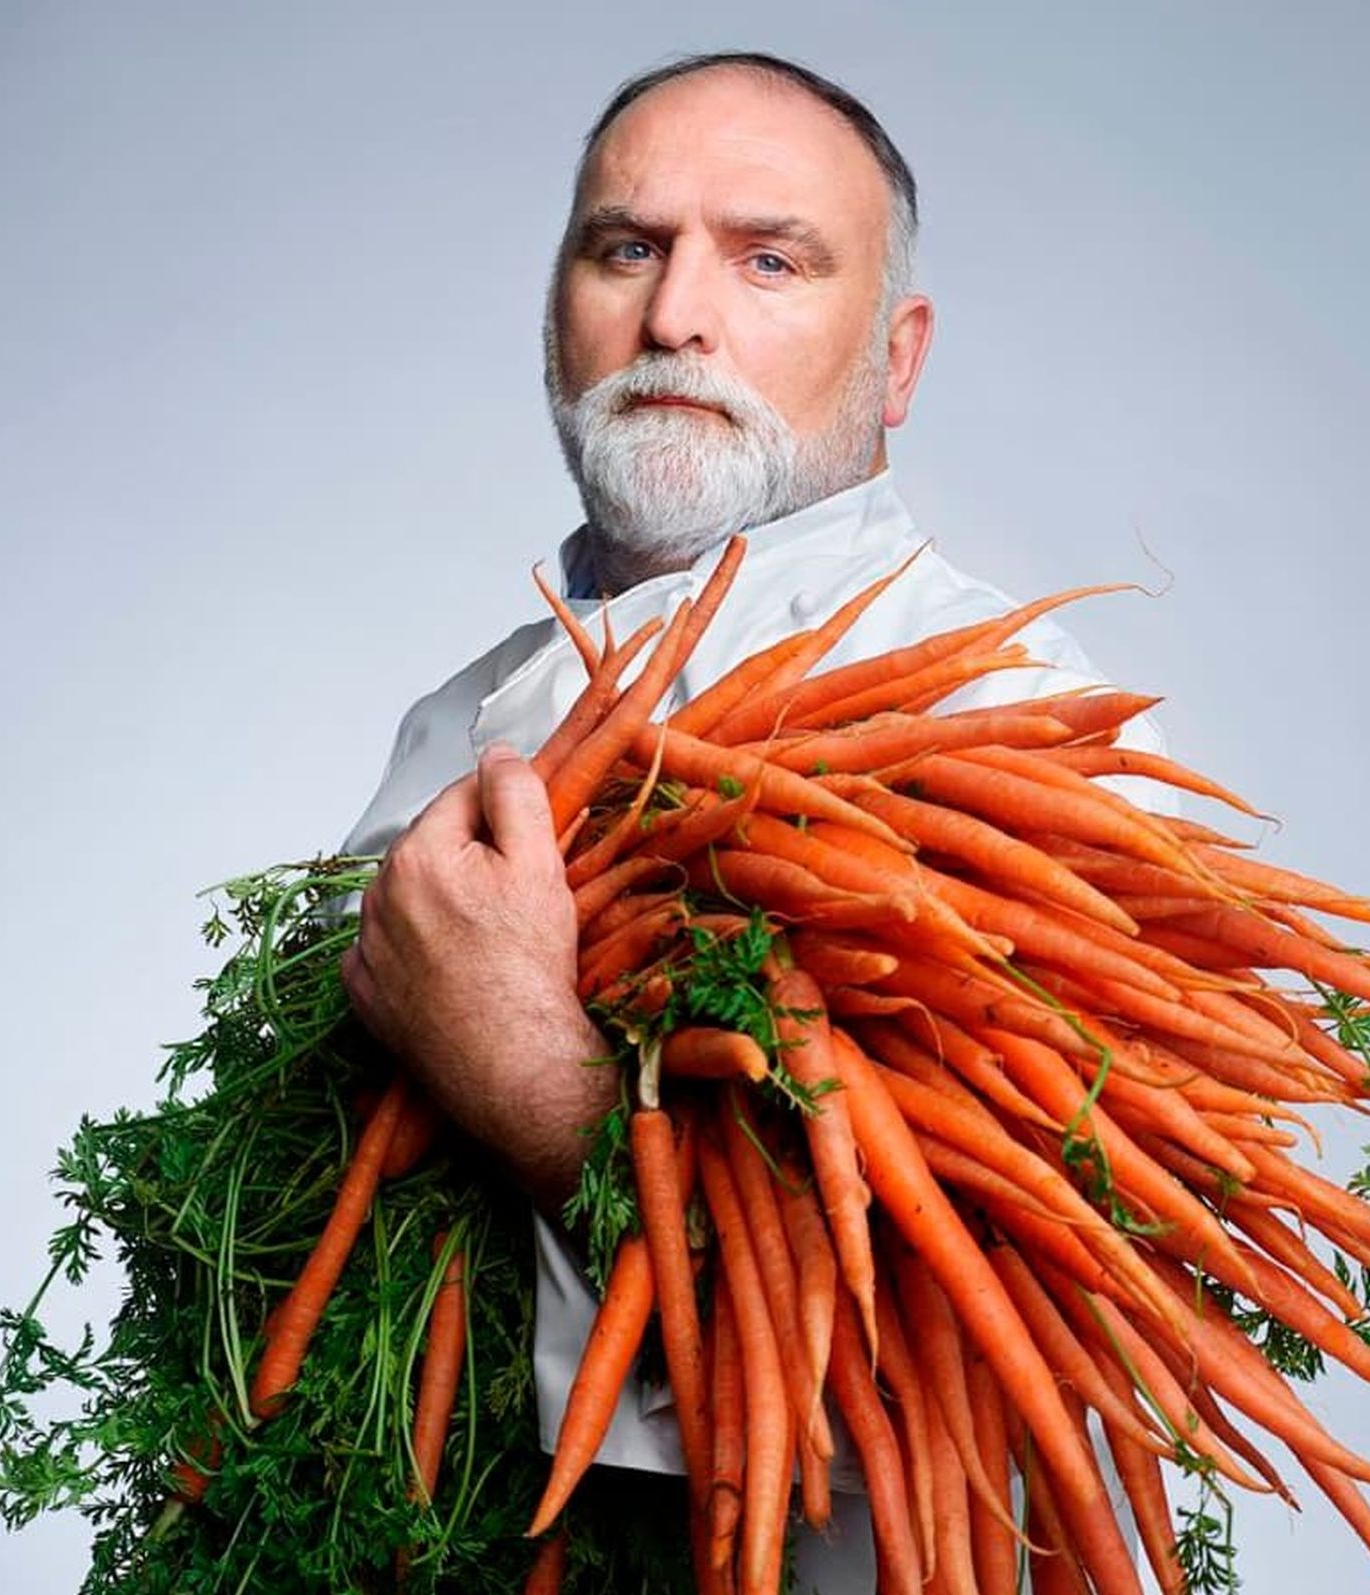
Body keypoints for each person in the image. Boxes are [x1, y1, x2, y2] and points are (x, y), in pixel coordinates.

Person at [339, 50, 1156, 1589]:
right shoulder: (456, 717)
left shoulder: (1026, 726)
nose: (672, 319)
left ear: (897, 361)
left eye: (768, 259)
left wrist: (531, 1076)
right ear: (555, 308)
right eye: (625, 248)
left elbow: (976, 1362)